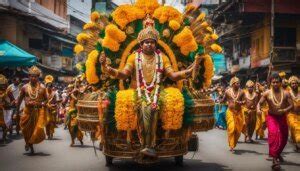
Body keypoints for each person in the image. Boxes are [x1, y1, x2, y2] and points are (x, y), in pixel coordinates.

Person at [99, 16, 196, 157]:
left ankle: (148, 145)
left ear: (156, 44)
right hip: (136, 91)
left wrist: (187, 72)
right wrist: (107, 68)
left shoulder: (162, 57)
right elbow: (123, 74)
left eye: (152, 42)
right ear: (141, 44)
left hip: (158, 91)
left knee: (152, 107)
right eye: (146, 42)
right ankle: (147, 145)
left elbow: (173, 76)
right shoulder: (134, 57)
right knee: (146, 106)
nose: (149, 45)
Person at [257, 73, 293, 170]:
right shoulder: (267, 93)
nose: (275, 84)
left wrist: (284, 110)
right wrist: (258, 109)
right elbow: (259, 103)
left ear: (280, 83)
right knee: (273, 135)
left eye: (277, 82)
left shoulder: (286, 93)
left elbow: (291, 105)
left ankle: (277, 153)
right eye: (273, 82)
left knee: (284, 138)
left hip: (282, 117)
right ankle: (274, 160)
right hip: (272, 117)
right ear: (270, 83)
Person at [16, 66, 47, 154]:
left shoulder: (43, 88)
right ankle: (27, 142)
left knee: (34, 130)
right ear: (29, 76)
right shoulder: (24, 87)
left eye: (35, 76)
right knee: (25, 130)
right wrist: (16, 112)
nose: (33, 78)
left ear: (38, 77)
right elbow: (19, 100)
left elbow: (46, 99)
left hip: (37, 112)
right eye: (32, 76)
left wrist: (42, 103)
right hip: (27, 112)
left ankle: (30, 144)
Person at [221, 77, 245, 152]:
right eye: (237, 83)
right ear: (233, 84)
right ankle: (231, 146)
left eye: (239, 83)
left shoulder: (242, 92)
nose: (238, 84)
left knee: (238, 131)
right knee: (232, 128)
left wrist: (241, 102)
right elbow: (223, 100)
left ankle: (233, 143)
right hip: (230, 112)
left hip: (239, 113)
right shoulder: (227, 92)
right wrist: (220, 101)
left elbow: (245, 101)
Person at [66, 83, 83, 147]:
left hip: (75, 113)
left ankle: (80, 138)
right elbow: (64, 102)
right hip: (69, 113)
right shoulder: (69, 94)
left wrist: (72, 95)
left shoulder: (76, 92)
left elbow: (77, 100)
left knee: (75, 127)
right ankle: (72, 141)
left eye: (70, 88)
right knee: (70, 128)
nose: (69, 89)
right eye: (68, 88)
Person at [286, 76, 300, 151]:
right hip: (291, 115)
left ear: (298, 84)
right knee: (295, 128)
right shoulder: (288, 94)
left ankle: (296, 144)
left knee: (295, 132)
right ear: (290, 85)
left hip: (299, 115)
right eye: (292, 83)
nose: (294, 85)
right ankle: (297, 143)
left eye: (295, 83)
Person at [0, 75, 15, 142]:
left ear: (6, 84)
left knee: (6, 124)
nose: (3, 86)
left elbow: (13, 100)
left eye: (4, 84)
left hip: (7, 110)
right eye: (1, 85)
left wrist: (10, 104)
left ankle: (4, 137)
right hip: (1, 110)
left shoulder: (8, 91)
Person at [44, 75, 58, 140]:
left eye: (50, 86)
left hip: (52, 110)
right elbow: (42, 102)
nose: (49, 87)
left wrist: (54, 105)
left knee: (51, 122)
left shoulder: (54, 93)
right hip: (46, 110)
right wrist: (47, 105)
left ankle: (51, 133)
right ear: (46, 86)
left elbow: (55, 102)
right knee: (47, 122)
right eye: (48, 86)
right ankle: (48, 134)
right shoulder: (44, 93)